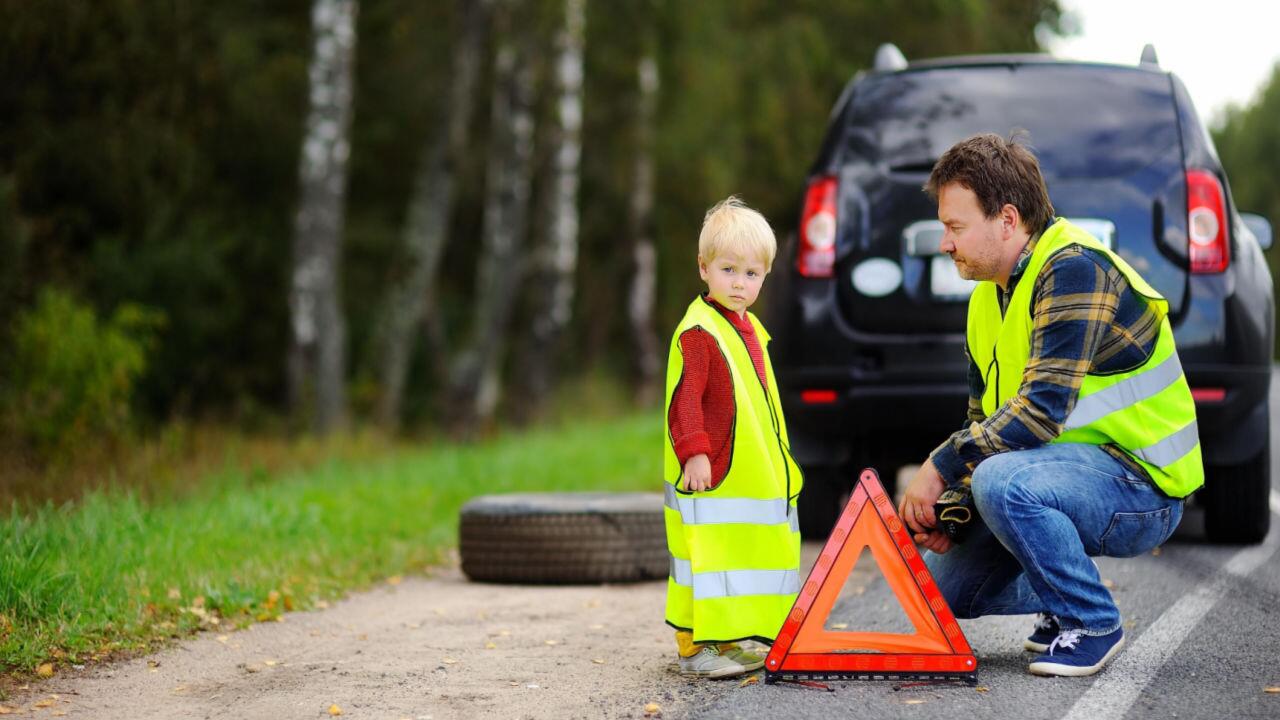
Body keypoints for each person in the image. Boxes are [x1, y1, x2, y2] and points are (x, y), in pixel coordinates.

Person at [899, 133, 1203, 677]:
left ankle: (1091, 621)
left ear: (1007, 219)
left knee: (1003, 483)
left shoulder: (1074, 269)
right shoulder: (985, 300)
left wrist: (939, 466)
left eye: (955, 227)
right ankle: (1056, 599)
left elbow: (1038, 412)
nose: (945, 243)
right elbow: (985, 422)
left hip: (1143, 485)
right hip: (1064, 474)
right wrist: (957, 506)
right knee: (940, 588)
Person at [663, 196, 803, 679]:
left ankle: (723, 642)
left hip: (748, 475)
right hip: (712, 474)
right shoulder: (699, 333)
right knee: (704, 561)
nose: (740, 284)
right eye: (728, 270)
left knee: (732, 562)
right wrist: (694, 453)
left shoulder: (748, 328)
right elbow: (685, 398)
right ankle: (693, 647)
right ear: (703, 269)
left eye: (751, 274)